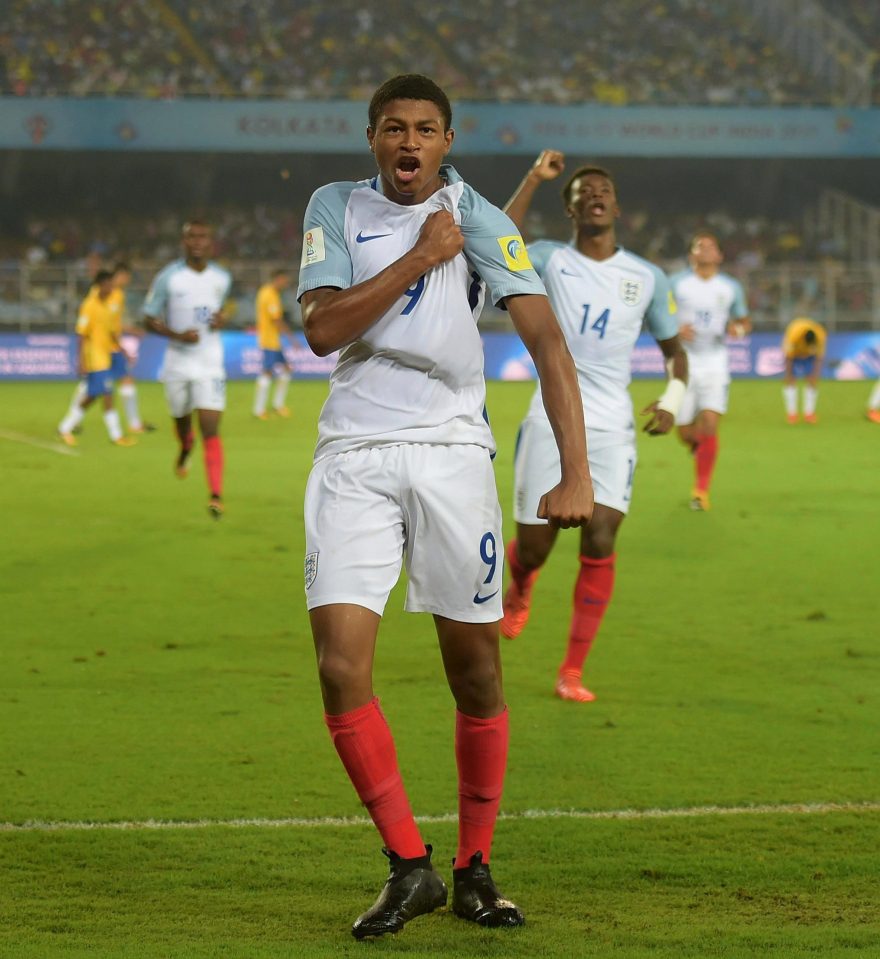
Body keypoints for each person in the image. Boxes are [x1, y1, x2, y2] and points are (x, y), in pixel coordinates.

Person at [297, 75, 593, 940]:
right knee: (340, 667)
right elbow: (322, 329)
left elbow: (546, 340)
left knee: (476, 672)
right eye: (394, 128)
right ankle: (408, 866)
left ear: (449, 140)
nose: (408, 142)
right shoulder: (334, 207)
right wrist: (423, 257)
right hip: (352, 453)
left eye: (425, 129)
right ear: (372, 139)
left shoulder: (486, 224)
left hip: (454, 457)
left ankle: (474, 868)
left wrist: (574, 470)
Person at [498, 149, 687, 703]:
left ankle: (572, 671)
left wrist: (674, 397)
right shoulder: (549, 259)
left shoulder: (647, 277)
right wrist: (533, 176)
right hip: (547, 420)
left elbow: (677, 353)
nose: (596, 195)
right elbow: (499, 241)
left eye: (604, 189)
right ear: (571, 210)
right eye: (584, 193)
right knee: (536, 546)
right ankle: (522, 584)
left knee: (601, 537)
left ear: (617, 208)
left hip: (611, 427)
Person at [142, 221, 232, 519]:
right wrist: (177, 335)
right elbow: (148, 318)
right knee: (182, 421)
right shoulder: (169, 277)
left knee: (210, 426)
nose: (197, 241)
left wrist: (223, 319)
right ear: (183, 241)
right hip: (178, 362)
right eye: (192, 236)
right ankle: (184, 446)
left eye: (203, 236)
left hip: (210, 362)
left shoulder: (222, 277)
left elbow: (225, 307)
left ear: (211, 242)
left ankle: (216, 495)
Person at [670, 232, 751, 511]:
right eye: (699, 246)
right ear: (691, 255)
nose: (705, 250)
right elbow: (660, 315)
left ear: (719, 256)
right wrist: (675, 329)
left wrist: (737, 329)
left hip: (715, 362)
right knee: (684, 432)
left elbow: (744, 321)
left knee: (710, 421)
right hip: (682, 362)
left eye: (711, 246)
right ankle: (697, 447)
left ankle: (700, 491)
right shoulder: (676, 283)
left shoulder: (730, 287)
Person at [62, 262, 155, 434]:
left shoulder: (118, 295)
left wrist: (123, 340)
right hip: (99, 348)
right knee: (92, 387)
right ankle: (72, 424)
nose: (126, 280)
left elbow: (114, 324)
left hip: (113, 345)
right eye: (124, 276)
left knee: (126, 380)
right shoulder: (97, 296)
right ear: (117, 276)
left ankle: (134, 424)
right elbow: (90, 324)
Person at [57, 270, 137, 447]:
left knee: (92, 396)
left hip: (106, 355)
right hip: (94, 357)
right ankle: (116, 436)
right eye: (108, 285)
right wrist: (81, 362)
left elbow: (111, 331)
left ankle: (64, 427)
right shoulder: (89, 305)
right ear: (99, 285)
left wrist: (122, 349)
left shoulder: (109, 304)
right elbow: (81, 335)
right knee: (108, 394)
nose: (111, 288)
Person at [253, 269, 293, 419]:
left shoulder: (268, 292)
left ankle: (277, 405)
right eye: (284, 280)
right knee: (267, 373)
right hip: (268, 341)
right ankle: (259, 410)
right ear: (277, 279)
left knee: (286, 370)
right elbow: (276, 320)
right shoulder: (269, 295)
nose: (285, 284)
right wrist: (292, 339)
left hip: (273, 341)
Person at [781, 316, 826, 424]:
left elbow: (819, 358)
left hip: (811, 356)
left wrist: (816, 374)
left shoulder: (820, 335)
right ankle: (792, 414)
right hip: (795, 353)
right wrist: (788, 374)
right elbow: (788, 358)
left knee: (812, 381)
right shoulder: (793, 335)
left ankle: (809, 413)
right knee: (790, 381)